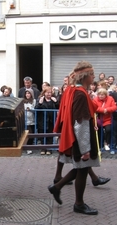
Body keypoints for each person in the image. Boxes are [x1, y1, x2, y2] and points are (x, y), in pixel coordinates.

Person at [49, 61, 105, 215]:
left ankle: (57, 187)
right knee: (82, 169)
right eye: (92, 74)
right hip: (81, 139)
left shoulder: (74, 90)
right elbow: (80, 123)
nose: (94, 77)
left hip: (79, 137)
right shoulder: (80, 94)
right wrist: (85, 148)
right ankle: (78, 204)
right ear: (85, 76)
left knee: (81, 168)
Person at [35, 86, 58, 155]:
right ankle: (43, 148)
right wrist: (40, 103)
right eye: (47, 92)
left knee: (50, 135)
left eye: (50, 92)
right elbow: (36, 108)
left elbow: (58, 107)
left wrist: (56, 102)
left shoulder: (53, 99)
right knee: (42, 134)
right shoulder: (40, 99)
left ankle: (49, 149)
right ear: (44, 93)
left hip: (51, 120)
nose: (49, 94)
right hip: (42, 120)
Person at [93, 88, 117, 153]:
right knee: (98, 131)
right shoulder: (95, 100)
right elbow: (94, 107)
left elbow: (114, 107)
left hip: (107, 119)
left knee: (108, 130)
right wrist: (103, 110)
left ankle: (106, 143)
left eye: (102, 95)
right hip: (98, 119)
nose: (100, 96)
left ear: (105, 95)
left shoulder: (110, 99)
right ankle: (99, 145)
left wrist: (107, 110)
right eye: (99, 94)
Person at [23, 89, 36, 154]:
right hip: (25, 120)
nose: (27, 94)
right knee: (28, 133)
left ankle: (30, 146)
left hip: (32, 120)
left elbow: (35, 109)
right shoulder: (23, 101)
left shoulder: (34, 101)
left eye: (29, 93)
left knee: (32, 134)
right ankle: (27, 147)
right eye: (26, 93)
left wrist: (30, 109)